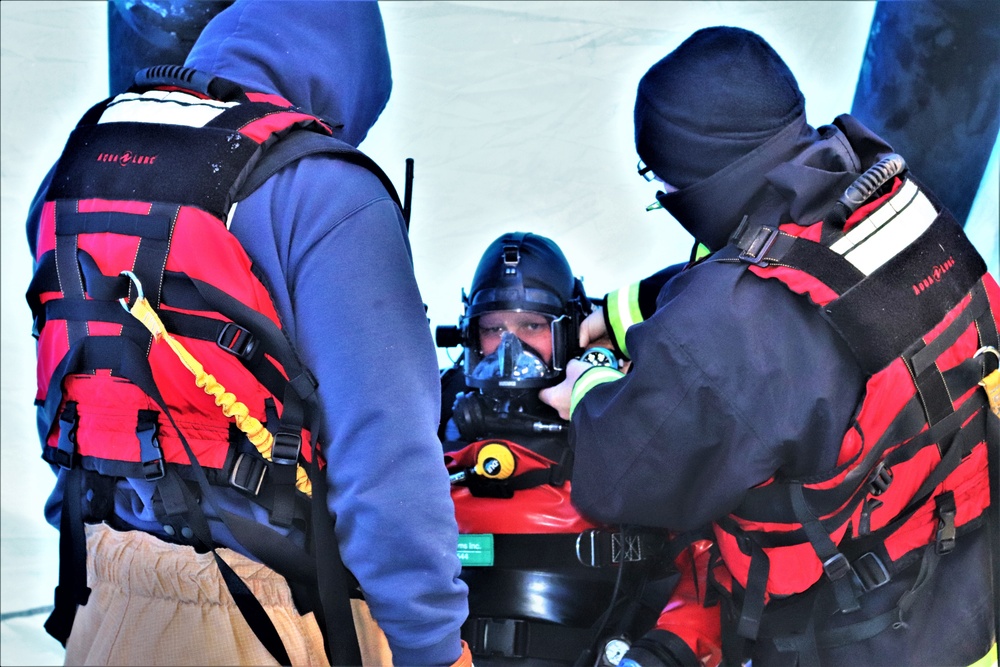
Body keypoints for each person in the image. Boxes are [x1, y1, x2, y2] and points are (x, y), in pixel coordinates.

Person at [25, 2, 470, 666]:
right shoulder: (328, 190)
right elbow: (385, 461)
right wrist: (432, 645)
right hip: (273, 618)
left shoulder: (78, 169)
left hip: (106, 599)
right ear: (345, 73)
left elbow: (72, 395)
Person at [540, 27, 999, 667]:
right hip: (971, 570)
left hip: (868, 639)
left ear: (702, 179)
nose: (665, 197)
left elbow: (622, 480)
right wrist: (625, 309)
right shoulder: (877, 189)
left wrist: (585, 386)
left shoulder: (724, 330)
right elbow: (786, 273)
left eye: (662, 179)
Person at [437, 232, 721, 666]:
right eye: (494, 328)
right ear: (470, 336)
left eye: (532, 326)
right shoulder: (431, 421)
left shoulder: (622, 420)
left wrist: (665, 654)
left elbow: (710, 558)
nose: (512, 349)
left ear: (571, 331)